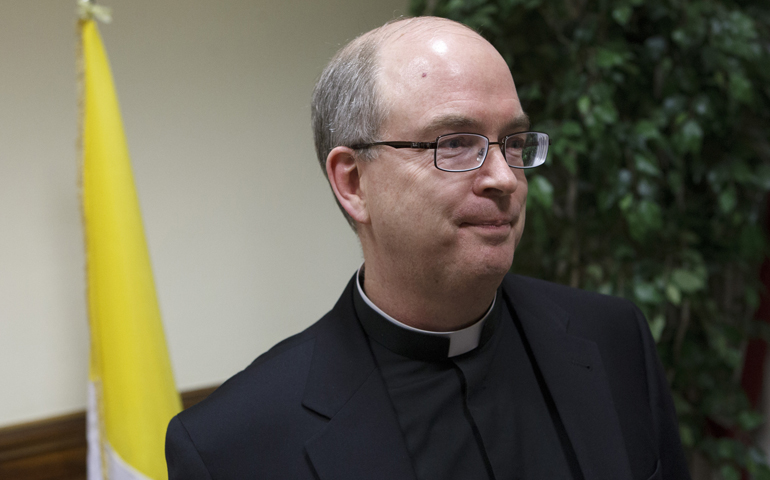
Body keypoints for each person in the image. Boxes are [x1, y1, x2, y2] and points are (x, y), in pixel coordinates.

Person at [165, 16, 690, 480]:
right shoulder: (231, 444)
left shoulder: (614, 339)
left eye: (513, 142)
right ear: (353, 183)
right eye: (456, 143)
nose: (505, 178)